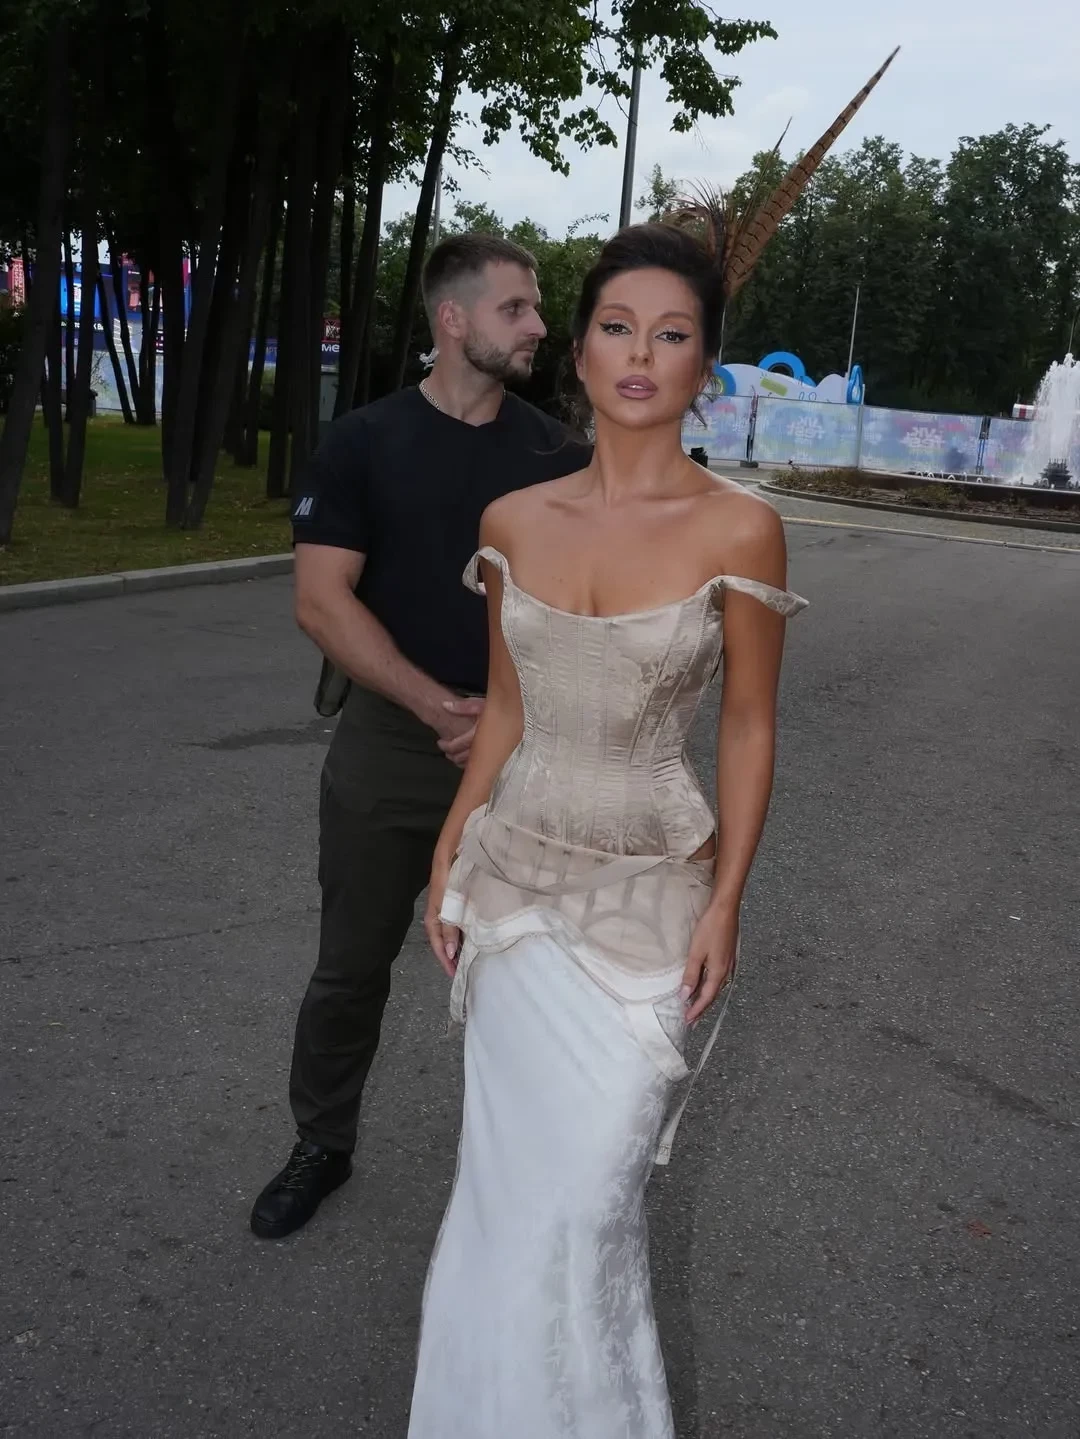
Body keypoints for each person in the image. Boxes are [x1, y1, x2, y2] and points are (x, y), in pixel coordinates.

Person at [409, 220, 807, 1436]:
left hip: (650, 901)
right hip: (512, 892)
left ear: (704, 365)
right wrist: (449, 850)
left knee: (586, 1203)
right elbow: (507, 709)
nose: (641, 353)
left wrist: (728, 899)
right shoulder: (513, 518)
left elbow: (748, 724)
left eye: (672, 335)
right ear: (579, 350)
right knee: (501, 1199)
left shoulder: (740, 527)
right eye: (619, 327)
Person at [250, 233, 592, 1240]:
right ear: (453, 319)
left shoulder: (558, 458)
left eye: (537, 309)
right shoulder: (364, 441)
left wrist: (507, 717)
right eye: (517, 308)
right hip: (392, 745)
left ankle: (521, 1173)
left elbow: (584, 610)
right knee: (352, 963)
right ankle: (321, 1142)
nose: (539, 326)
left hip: (525, 749)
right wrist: (436, 706)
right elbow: (322, 600)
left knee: (528, 975)